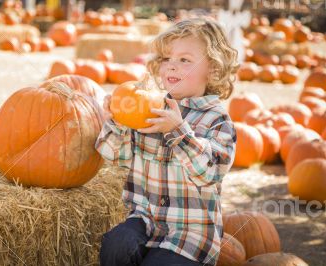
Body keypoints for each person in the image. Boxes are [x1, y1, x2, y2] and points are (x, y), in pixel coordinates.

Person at [95, 17, 239, 266]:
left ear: (213, 69)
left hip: (190, 235)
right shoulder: (147, 108)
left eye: (184, 60)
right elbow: (113, 156)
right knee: (115, 245)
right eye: (166, 59)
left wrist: (179, 132)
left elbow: (210, 173)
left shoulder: (217, 120)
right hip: (145, 221)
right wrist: (117, 120)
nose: (171, 66)